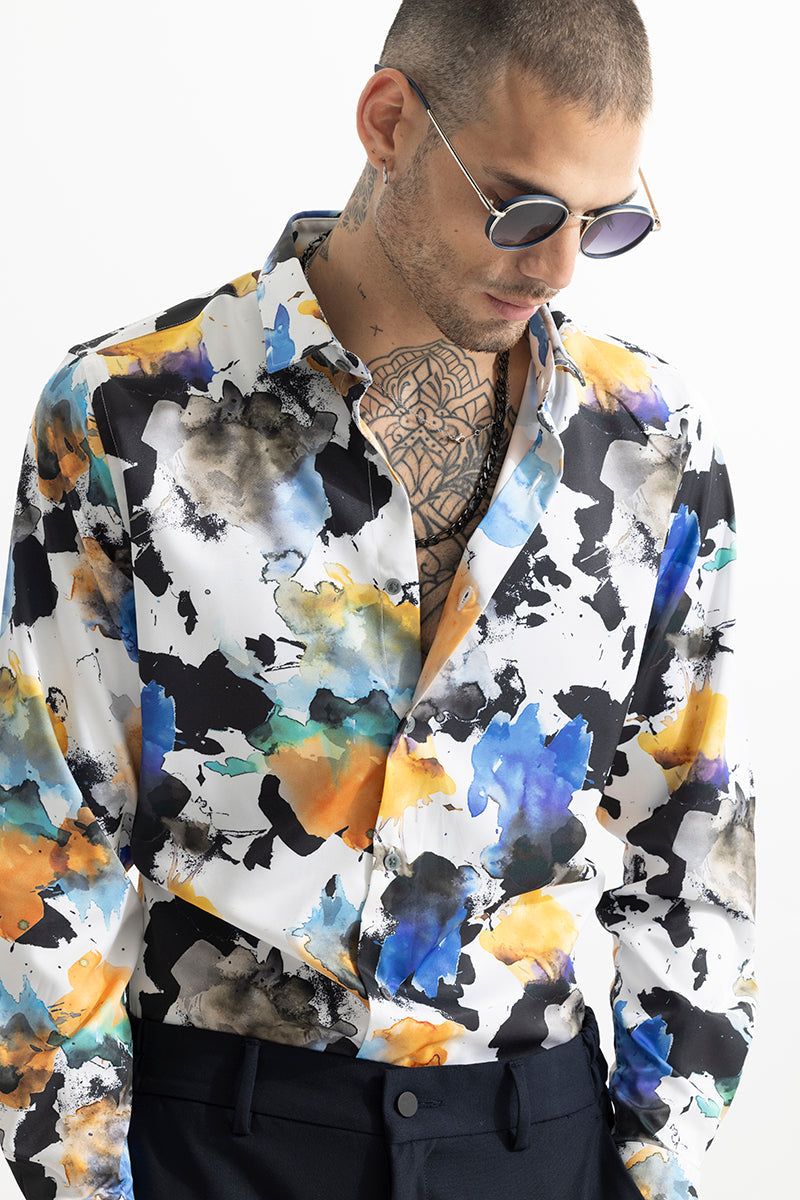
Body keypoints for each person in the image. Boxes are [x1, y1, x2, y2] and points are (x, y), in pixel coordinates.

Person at [0, 1, 755, 1197]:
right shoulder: (126, 418)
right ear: (389, 122)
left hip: (535, 1138)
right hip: (218, 1137)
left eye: (601, 223)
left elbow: (693, 836)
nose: (556, 267)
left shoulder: (648, 445)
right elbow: (51, 846)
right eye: (521, 210)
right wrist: (82, 1176)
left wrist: (656, 1165)